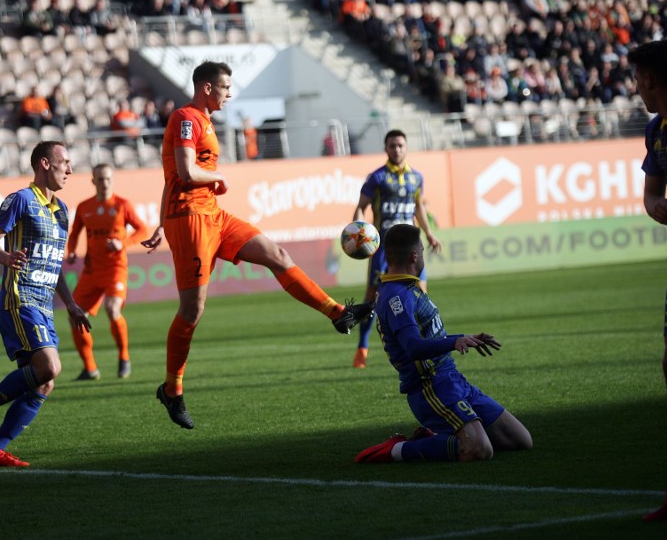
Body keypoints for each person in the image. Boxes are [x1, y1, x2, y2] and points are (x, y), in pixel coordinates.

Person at [141, 61, 374, 429]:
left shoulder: (204, 120)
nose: (229, 94)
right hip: (190, 222)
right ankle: (172, 390)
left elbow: (172, 177)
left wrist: (159, 220)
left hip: (213, 214)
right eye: (225, 87)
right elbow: (185, 173)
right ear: (206, 88)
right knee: (192, 311)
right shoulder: (186, 118)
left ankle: (337, 313)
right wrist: (215, 177)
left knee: (276, 254)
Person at [354, 224, 533, 464]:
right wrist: (453, 343)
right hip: (430, 387)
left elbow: (430, 337)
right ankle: (398, 449)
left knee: (520, 440)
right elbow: (414, 348)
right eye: (422, 249)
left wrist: (465, 338)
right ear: (414, 255)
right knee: (479, 450)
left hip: (452, 379)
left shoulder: (408, 287)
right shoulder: (397, 296)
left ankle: (440, 435)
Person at [0, 141, 91, 468]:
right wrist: (6, 257)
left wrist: (71, 304)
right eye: (64, 163)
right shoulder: (21, 200)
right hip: (20, 299)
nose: (70, 170)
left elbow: (54, 264)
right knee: (50, 367)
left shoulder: (61, 211)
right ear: (45, 164)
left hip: (45, 306)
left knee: (45, 380)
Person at [631, 38, 667, 521]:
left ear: (647, 78)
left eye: (635, 79)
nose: (635, 89)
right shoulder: (656, 131)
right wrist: (658, 208)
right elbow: (650, 195)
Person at [350, 129, 442, 369]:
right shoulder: (377, 178)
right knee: (372, 296)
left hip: (411, 245)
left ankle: (426, 345)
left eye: (400, 145)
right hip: (384, 247)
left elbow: (418, 207)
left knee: (420, 293)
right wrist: (358, 229)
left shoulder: (416, 178)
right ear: (386, 149)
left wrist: (429, 233)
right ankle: (362, 347)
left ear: (406, 147)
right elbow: (361, 206)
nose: (397, 149)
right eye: (392, 146)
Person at [66, 163, 148, 381]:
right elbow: (74, 234)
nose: (105, 183)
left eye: (108, 179)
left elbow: (142, 230)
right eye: (100, 179)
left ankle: (124, 357)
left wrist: (123, 243)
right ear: (93, 181)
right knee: (75, 316)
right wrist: (71, 251)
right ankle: (90, 368)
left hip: (115, 268)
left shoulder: (122, 205)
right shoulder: (85, 207)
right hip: (91, 271)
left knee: (112, 309)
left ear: (113, 180)